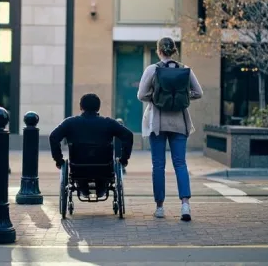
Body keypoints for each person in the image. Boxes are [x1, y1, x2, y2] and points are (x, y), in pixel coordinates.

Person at [137, 37, 203, 221]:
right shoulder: (185, 69)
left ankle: (159, 207)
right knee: (180, 163)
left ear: (158, 51)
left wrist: (157, 97)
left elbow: (141, 94)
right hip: (180, 122)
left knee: (158, 165)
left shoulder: (152, 69)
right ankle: (185, 205)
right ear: (174, 50)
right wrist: (182, 97)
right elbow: (199, 92)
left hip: (157, 123)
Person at [49, 93, 134, 198]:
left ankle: (83, 191)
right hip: (104, 168)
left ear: (81, 107)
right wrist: (124, 159)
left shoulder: (70, 122)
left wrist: (59, 159)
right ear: (98, 107)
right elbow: (128, 135)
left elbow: (53, 137)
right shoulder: (108, 123)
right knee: (104, 176)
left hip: (78, 168)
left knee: (80, 173)